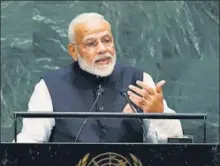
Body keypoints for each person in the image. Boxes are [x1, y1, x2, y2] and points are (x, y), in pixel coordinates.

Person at [14, 12, 183, 143]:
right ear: (73, 51)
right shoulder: (50, 87)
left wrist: (159, 113)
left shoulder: (139, 81)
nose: (102, 49)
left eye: (106, 40)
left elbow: (172, 144)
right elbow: (29, 143)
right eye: (91, 43)